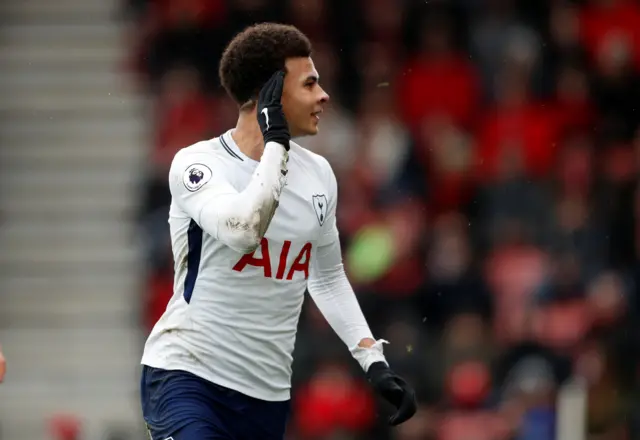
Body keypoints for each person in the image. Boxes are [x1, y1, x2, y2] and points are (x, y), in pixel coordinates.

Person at [140, 23, 417, 440]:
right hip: (188, 375)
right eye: (309, 84)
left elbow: (326, 276)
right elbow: (244, 229)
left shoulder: (320, 174)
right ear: (269, 92)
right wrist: (276, 143)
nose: (323, 96)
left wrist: (372, 361)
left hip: (266, 396)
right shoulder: (198, 164)